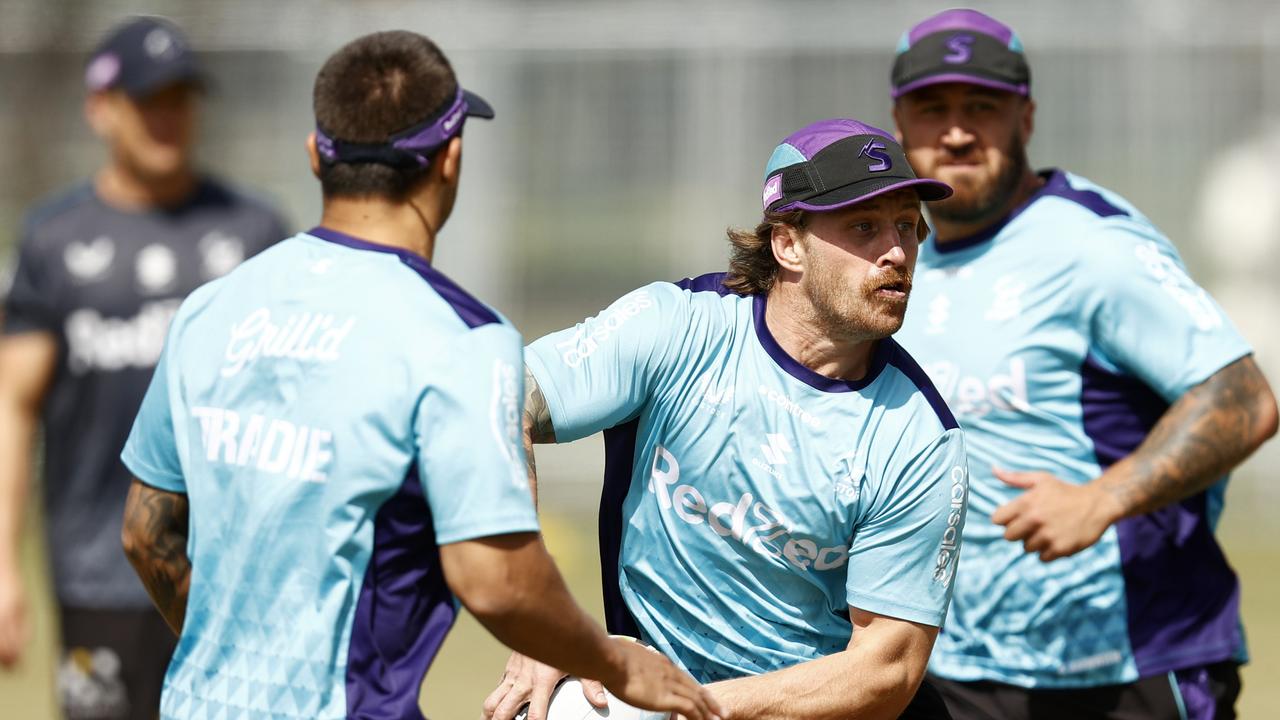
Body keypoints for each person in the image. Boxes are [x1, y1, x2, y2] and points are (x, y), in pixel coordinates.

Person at [117, 30, 720, 720]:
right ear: (450, 160)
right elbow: (496, 581)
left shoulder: (211, 308)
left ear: (316, 156)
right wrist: (616, 663)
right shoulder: (461, 339)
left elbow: (145, 532)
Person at [485, 118, 970, 720]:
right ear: (788, 243)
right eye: (865, 227)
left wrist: (686, 708)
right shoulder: (677, 328)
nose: (896, 252)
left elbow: (886, 670)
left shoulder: (919, 437)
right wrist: (541, 624)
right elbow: (499, 397)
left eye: (906, 226)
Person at [889, 9, 1279, 720]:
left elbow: (1244, 399)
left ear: (1026, 118)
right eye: (932, 107)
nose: (955, 130)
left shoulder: (1090, 244)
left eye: (982, 106)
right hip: (959, 669)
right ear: (898, 121)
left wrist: (1100, 499)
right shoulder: (894, 262)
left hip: (1129, 663)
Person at [0, 16, 287, 720]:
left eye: (180, 97)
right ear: (101, 108)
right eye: (148, 98)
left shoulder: (255, 232)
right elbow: (13, 403)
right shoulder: (53, 240)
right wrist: (3, 566)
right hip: (96, 576)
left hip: (229, 576)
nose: (168, 116)